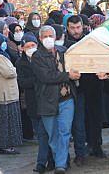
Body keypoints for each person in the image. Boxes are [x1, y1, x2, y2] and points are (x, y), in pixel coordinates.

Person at [31, 26, 80, 174]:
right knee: (53, 135)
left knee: (64, 132)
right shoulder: (37, 56)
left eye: (50, 36)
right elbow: (46, 76)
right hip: (47, 101)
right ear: (40, 39)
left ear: (55, 36)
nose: (48, 39)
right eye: (44, 36)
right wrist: (67, 75)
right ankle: (61, 160)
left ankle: (60, 165)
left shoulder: (63, 51)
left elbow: (74, 67)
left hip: (67, 99)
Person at [64, 15, 99, 163]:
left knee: (93, 118)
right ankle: (80, 153)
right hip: (71, 88)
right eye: (72, 28)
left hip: (91, 86)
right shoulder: (64, 42)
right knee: (76, 123)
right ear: (67, 28)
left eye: (78, 27)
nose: (76, 31)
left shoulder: (88, 40)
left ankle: (95, 146)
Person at [16, 32, 48, 172]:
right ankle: (42, 162)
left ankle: (47, 161)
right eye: (27, 46)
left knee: (49, 133)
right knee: (41, 134)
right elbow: (23, 82)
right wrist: (39, 79)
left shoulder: (44, 57)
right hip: (33, 103)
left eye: (33, 45)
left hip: (47, 101)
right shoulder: (20, 63)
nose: (31, 48)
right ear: (22, 48)